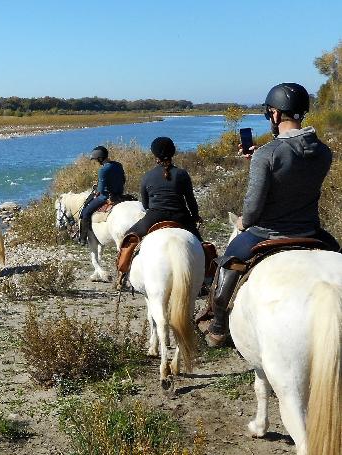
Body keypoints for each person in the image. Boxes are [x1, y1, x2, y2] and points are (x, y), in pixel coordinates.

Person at [203, 82, 340, 348]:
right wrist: (260, 158)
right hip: (312, 231)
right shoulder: (324, 152)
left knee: (226, 265)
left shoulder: (267, 154)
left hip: (267, 233)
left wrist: (244, 220)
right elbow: (295, 166)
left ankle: (218, 327)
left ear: (275, 115)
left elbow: (253, 211)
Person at [117, 137, 207, 280]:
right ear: (173, 152)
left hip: (154, 216)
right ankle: (208, 276)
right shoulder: (182, 174)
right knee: (203, 246)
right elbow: (190, 200)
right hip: (181, 216)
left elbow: (146, 205)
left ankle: (122, 271)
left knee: (128, 237)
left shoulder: (147, 176)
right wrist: (195, 216)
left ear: (155, 155)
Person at [78, 146, 126, 245]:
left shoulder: (103, 170)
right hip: (120, 194)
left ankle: (83, 239)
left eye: (96, 160)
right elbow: (123, 180)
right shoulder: (118, 165)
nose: (96, 162)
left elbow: (100, 190)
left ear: (100, 158)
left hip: (106, 197)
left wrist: (97, 189)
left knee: (85, 212)